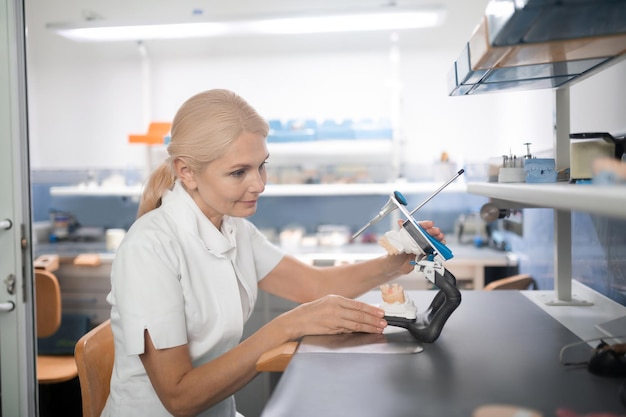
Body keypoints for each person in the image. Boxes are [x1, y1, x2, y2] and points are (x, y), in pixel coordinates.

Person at [102, 89, 446, 417]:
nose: (260, 184)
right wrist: (288, 325)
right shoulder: (149, 249)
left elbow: (312, 285)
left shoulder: (233, 228)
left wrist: (396, 262)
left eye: (261, 165)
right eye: (239, 172)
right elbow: (179, 398)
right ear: (187, 172)